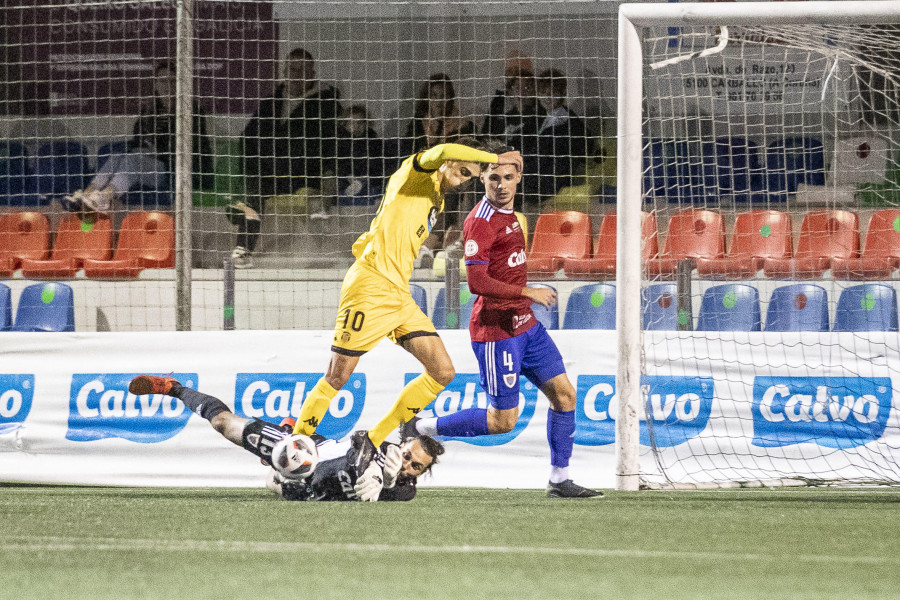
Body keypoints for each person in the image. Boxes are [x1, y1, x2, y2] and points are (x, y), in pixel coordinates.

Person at [290, 138, 523, 479]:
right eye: (461, 171)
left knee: (442, 372)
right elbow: (442, 151)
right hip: (369, 287)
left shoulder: (437, 197)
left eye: (468, 177)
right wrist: (493, 157)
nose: (460, 181)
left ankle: (373, 439)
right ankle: (293, 449)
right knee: (337, 376)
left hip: (398, 294)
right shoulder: (416, 174)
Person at [403, 142, 603, 499]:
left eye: (508, 177)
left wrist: (524, 299)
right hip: (497, 331)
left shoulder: (513, 215)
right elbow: (477, 282)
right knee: (502, 422)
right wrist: (527, 292)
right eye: (493, 177)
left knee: (565, 395)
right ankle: (420, 425)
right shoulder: (479, 223)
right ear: (482, 178)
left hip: (526, 326)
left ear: (519, 176)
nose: (501, 184)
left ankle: (560, 478)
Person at [127, 374, 444, 502]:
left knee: (276, 484)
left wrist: (388, 484)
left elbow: (398, 493)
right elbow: (360, 442)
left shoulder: (405, 491)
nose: (406, 466)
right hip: (308, 451)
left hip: (303, 485)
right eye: (407, 456)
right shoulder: (382, 448)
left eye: (415, 467)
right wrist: (370, 467)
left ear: (422, 473)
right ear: (400, 448)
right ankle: (173, 387)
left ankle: (285, 434)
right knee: (224, 424)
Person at [231, 47, 342, 268]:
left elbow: (329, 145)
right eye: (290, 68)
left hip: (304, 175)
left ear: (311, 73)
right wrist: (256, 166)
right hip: (271, 175)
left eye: (300, 69)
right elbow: (248, 139)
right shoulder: (269, 104)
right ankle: (243, 248)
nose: (294, 74)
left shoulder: (327, 105)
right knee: (252, 189)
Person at [64, 60, 214, 218]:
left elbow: (189, 149)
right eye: (162, 81)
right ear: (155, 85)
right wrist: (144, 150)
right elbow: (137, 141)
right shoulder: (149, 111)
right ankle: (88, 194)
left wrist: (155, 152)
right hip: (149, 165)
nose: (167, 86)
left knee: (133, 161)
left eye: (172, 81)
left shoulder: (192, 112)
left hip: (175, 171)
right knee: (118, 156)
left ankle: (105, 197)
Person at [521, 68, 588, 211]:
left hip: (552, 190)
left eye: (553, 93)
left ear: (562, 94)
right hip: (531, 186)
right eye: (543, 93)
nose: (547, 98)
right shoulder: (537, 119)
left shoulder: (569, 123)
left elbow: (565, 163)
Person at [335, 103, 385, 205]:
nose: (356, 126)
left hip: (368, 180)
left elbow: (377, 164)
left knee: (370, 190)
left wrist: (365, 177)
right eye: (352, 122)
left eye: (360, 122)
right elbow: (338, 164)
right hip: (346, 181)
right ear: (345, 124)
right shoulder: (339, 142)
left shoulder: (373, 141)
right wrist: (349, 177)